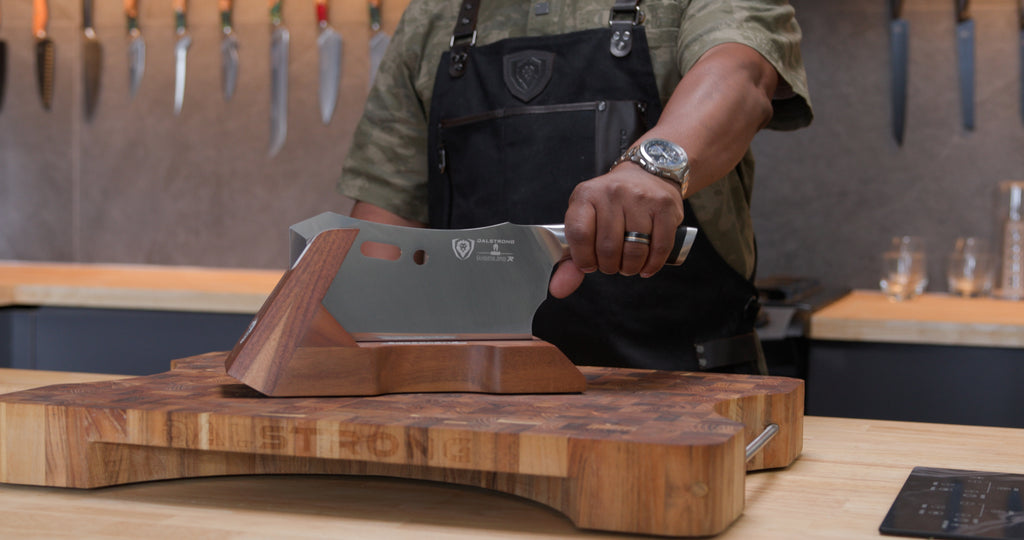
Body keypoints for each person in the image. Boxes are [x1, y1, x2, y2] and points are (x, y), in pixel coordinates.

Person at [337, 0, 812, 372]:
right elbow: (384, 221)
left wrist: (652, 170)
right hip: (476, 398)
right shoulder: (432, 15)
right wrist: (339, 326)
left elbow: (741, 75)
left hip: (686, 396)